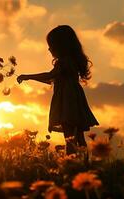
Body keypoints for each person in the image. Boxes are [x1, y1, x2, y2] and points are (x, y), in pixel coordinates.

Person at [17, 25, 99, 155]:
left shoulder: (64, 62)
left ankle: (71, 163)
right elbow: (51, 78)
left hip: (67, 101)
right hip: (75, 99)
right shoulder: (71, 61)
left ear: (61, 46)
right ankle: (84, 163)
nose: (49, 49)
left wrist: (29, 76)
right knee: (79, 137)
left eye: (51, 45)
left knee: (70, 137)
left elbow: (50, 76)